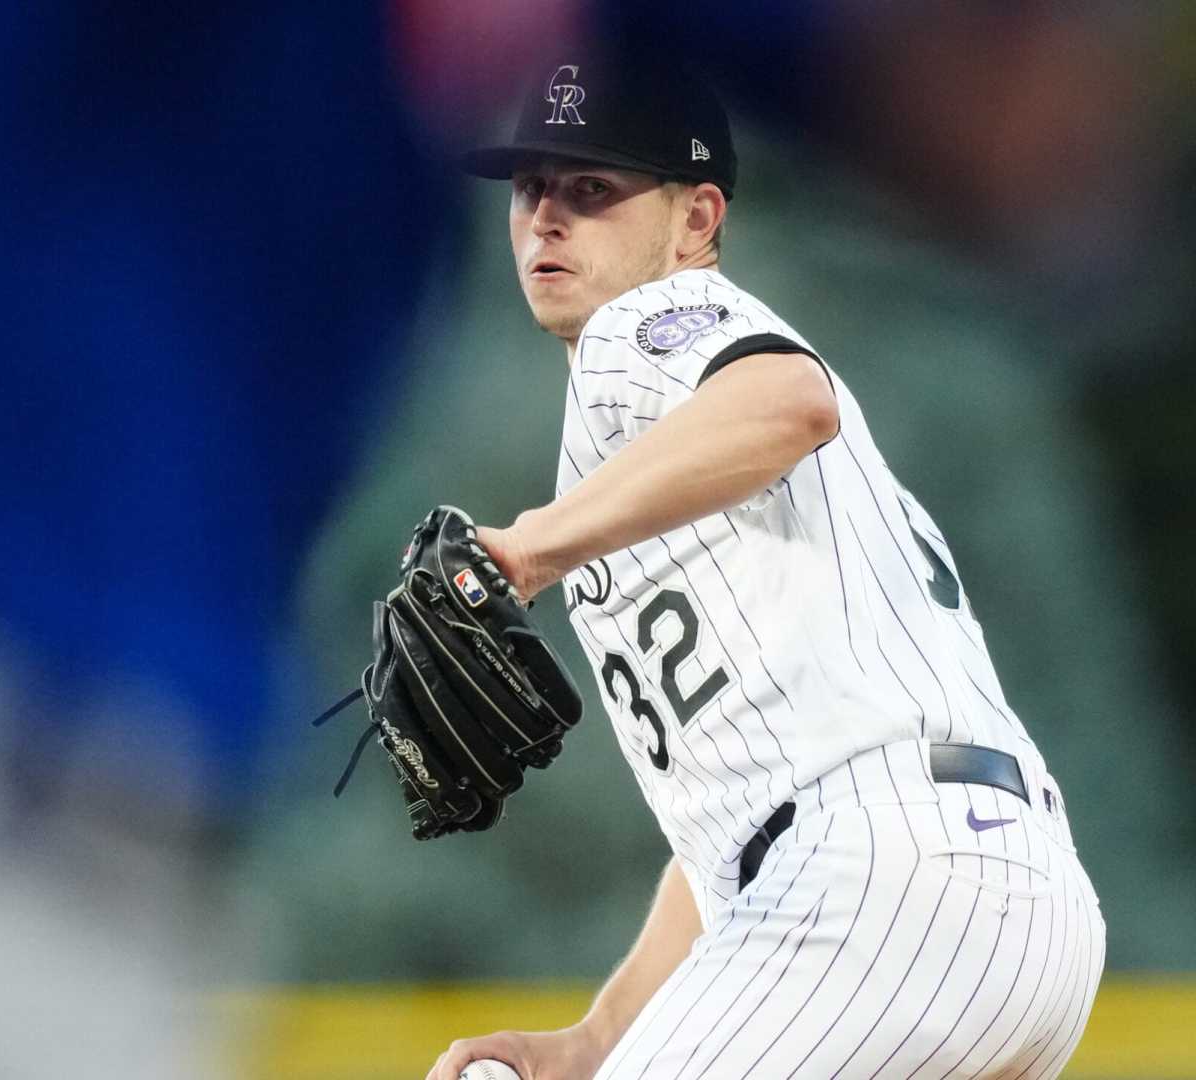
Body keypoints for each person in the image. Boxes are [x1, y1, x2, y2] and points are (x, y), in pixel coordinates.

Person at [430, 53, 1105, 1080]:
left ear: (696, 221)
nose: (548, 218)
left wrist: (530, 546)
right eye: (530, 189)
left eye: (594, 189)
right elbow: (735, 829)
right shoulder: (666, 456)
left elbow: (792, 399)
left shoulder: (643, 329)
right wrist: (601, 1037)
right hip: (997, 902)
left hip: (885, 880)